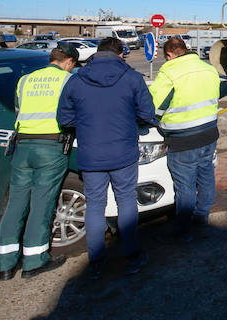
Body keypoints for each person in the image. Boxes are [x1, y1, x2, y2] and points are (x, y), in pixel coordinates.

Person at [57, 37, 155, 278]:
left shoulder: (77, 79)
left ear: (97, 52)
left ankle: (96, 262)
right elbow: (147, 112)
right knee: (126, 202)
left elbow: (65, 119)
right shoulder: (131, 77)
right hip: (124, 153)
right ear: (120, 53)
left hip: (91, 154)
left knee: (95, 205)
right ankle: (132, 255)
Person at [0, 42, 78, 281]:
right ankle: (34, 260)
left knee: (16, 203)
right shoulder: (67, 80)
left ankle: (6, 264)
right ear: (69, 62)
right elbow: (71, 113)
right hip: (51, 147)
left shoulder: (25, 81)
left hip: (22, 147)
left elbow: (18, 109)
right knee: (42, 203)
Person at [149, 36, 221, 242]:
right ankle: (202, 218)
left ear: (169, 54)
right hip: (209, 134)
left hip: (183, 139)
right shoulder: (208, 69)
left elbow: (153, 107)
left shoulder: (169, 72)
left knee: (185, 186)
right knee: (206, 176)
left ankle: (183, 230)